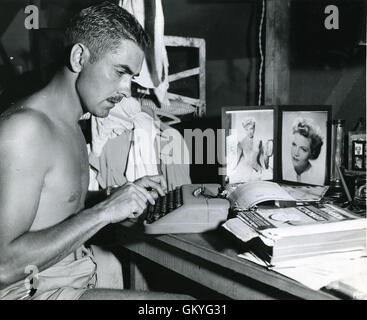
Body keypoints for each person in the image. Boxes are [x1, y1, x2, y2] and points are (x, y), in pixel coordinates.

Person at [0, 2, 192, 300]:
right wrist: (103, 212)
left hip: (71, 282)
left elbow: (52, 210)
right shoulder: (25, 131)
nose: (126, 90)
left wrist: (114, 195)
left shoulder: (70, 123)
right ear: (79, 57)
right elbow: (2, 267)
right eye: (120, 72)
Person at [229, 118, 272, 183]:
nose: (249, 131)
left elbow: (261, 159)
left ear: (254, 128)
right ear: (244, 130)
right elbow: (236, 160)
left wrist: (265, 164)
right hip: (246, 171)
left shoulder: (258, 142)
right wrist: (230, 171)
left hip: (257, 169)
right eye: (247, 129)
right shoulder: (241, 143)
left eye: (251, 128)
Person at [289, 118, 324, 185]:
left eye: (303, 149)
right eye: (294, 145)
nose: (296, 153)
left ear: (312, 153)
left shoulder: (316, 179)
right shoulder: (287, 173)